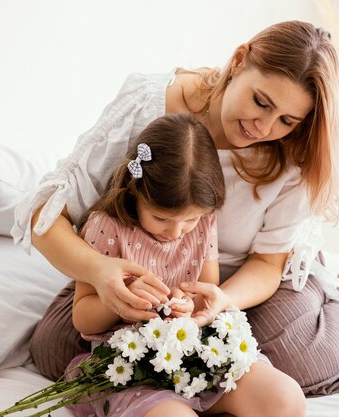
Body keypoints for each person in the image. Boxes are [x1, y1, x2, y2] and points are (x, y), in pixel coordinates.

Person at [12, 20, 339, 398]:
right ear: (238, 61)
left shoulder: (293, 150)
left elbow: (268, 264)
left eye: (286, 119)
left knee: (294, 361)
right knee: (56, 349)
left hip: (252, 280)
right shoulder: (150, 102)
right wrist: (101, 273)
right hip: (145, 269)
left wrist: (220, 301)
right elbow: (45, 216)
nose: (264, 127)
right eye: (260, 101)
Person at [67, 112, 302, 417]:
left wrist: (188, 306)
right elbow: (83, 318)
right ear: (136, 191)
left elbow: (205, 290)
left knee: (286, 398)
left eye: (189, 220)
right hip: (131, 365)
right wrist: (122, 298)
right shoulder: (107, 227)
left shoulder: (203, 223)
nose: (176, 232)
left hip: (194, 352)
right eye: (162, 218)